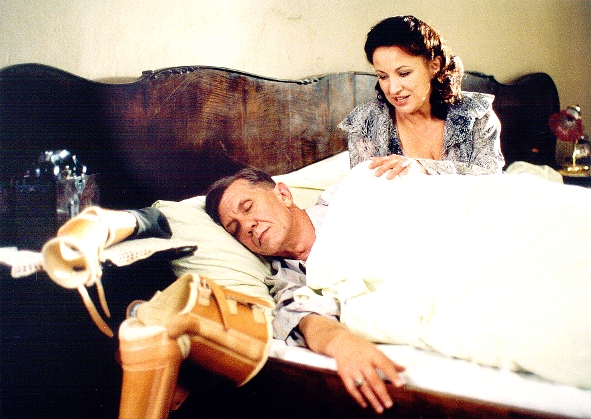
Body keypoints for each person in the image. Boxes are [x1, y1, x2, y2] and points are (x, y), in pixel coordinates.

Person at [339, 15, 505, 177]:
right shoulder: (366, 122)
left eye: (404, 73)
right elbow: (365, 187)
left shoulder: (476, 114)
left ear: (434, 66)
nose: (393, 89)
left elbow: (491, 179)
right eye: (383, 76)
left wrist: (423, 168)